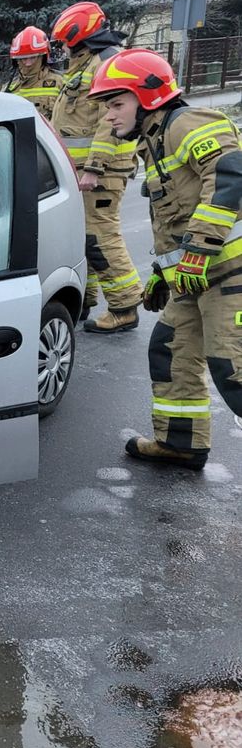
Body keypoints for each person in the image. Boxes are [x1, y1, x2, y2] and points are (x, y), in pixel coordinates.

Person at [88, 48, 242, 470]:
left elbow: (230, 175)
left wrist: (198, 250)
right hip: (195, 276)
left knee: (234, 368)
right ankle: (181, 443)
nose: (108, 117)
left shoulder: (188, 123)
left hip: (230, 271)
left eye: (116, 104)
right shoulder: (154, 141)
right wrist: (164, 270)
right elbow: (179, 215)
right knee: (170, 349)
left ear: (148, 96)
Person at [49, 1, 143, 333]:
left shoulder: (106, 63)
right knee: (84, 237)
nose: (62, 47)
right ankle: (85, 300)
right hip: (80, 170)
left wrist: (94, 168)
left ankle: (124, 307)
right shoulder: (88, 63)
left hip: (100, 172)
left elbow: (109, 122)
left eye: (64, 41)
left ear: (78, 36)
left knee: (101, 237)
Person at [4, 26, 62, 119]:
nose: (27, 64)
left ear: (43, 57)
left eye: (33, 57)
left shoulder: (60, 83)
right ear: (17, 61)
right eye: (23, 58)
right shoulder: (9, 89)